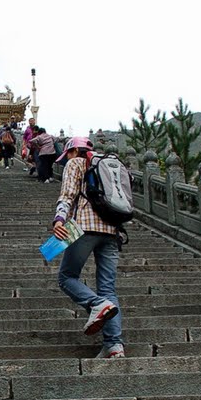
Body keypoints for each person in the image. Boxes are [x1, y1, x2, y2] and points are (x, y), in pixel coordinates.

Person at [51, 136, 124, 358]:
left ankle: (96, 304)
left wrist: (59, 219)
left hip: (84, 227)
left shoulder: (75, 163)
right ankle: (114, 346)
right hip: (112, 230)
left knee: (67, 277)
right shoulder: (112, 164)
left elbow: (68, 194)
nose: (67, 160)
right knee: (108, 288)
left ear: (73, 152)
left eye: (67, 156)